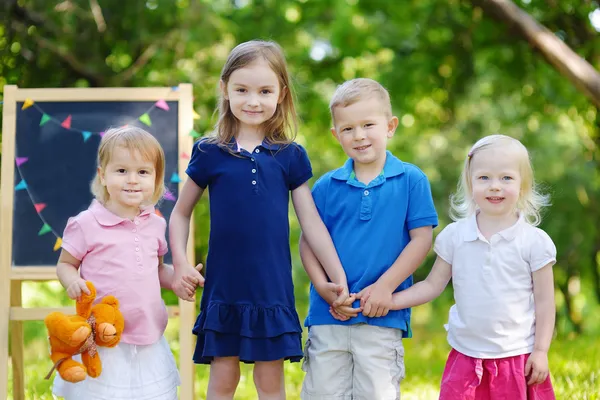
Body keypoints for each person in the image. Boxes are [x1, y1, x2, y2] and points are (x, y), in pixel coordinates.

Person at [168, 40, 349, 400]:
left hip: (270, 286)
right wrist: (180, 264)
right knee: (222, 380)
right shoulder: (209, 152)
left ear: (281, 93)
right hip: (224, 287)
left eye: (265, 91)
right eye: (242, 90)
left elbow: (311, 222)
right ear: (225, 89)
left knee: (270, 383)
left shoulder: (290, 156)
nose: (253, 100)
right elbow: (179, 213)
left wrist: (336, 278)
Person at [384, 134, 557, 399]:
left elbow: (545, 302)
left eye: (506, 178)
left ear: (523, 186)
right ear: (470, 183)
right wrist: (390, 300)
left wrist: (541, 351)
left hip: (516, 356)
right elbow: (432, 285)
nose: (494, 186)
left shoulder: (534, 242)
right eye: (484, 178)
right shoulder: (455, 236)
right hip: (465, 355)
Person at [300, 78, 439, 400]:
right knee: (322, 392)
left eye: (368, 125)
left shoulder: (410, 180)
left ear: (390, 126)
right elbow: (308, 242)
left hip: (381, 314)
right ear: (336, 135)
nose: (359, 135)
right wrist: (323, 286)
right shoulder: (325, 186)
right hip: (329, 313)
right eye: (348, 129)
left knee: (376, 393)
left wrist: (385, 286)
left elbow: (421, 240)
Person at [53, 126, 192, 400]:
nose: (132, 180)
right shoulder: (86, 224)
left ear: (156, 178)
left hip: (148, 334)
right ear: (103, 176)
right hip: (104, 337)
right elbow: (65, 264)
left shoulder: (155, 223)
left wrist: (178, 279)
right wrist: (72, 281)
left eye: (142, 172)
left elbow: (157, 269)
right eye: (121, 171)